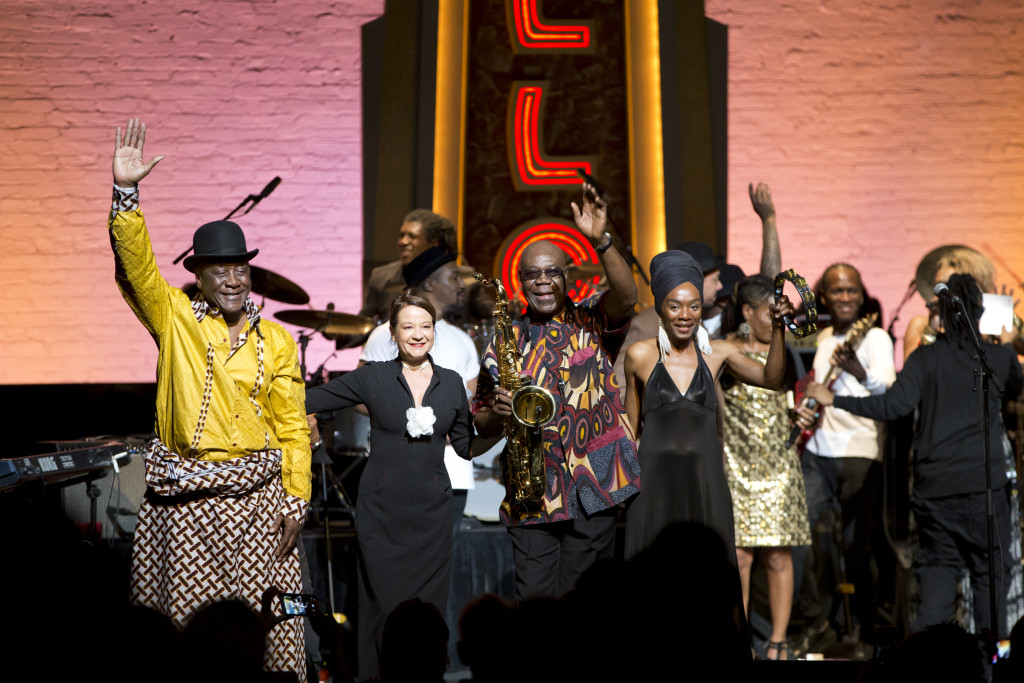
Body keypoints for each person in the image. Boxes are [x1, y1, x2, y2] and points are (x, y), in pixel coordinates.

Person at [108, 119, 311, 680]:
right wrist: (127, 195)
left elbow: (292, 424)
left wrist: (295, 498)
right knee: (186, 632)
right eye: (218, 269)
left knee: (265, 626)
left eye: (240, 267)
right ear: (197, 276)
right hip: (185, 502)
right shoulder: (174, 318)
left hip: (255, 502)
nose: (232, 279)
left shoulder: (277, 340)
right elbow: (137, 268)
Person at [805, 274, 1022, 636]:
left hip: (935, 492)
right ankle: (986, 666)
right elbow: (1016, 386)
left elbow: (893, 406)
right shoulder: (997, 358)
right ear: (979, 312)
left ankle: (926, 666)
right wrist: (1007, 344)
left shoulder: (925, 358)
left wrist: (835, 399)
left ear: (940, 314)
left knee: (936, 579)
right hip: (984, 489)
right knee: (988, 579)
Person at [472, 183, 640, 600]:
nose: (543, 281)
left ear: (567, 277)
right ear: (520, 280)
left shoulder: (593, 321)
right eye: (533, 274)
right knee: (537, 610)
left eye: (552, 272)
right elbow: (480, 423)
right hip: (531, 495)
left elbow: (629, 295)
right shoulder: (503, 344)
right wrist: (498, 409)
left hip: (596, 485)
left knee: (584, 609)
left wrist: (601, 241)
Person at [305, 293, 474, 680]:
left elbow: (466, 446)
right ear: (393, 334)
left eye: (426, 326)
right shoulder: (373, 377)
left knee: (429, 611)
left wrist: (500, 420)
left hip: (433, 515)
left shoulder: (451, 383)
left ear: (435, 331)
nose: (418, 334)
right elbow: (305, 398)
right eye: (408, 327)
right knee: (380, 606)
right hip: (381, 514)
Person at [621, 251, 795, 560]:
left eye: (694, 306)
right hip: (653, 485)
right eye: (674, 306)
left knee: (708, 574)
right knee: (653, 574)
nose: (685, 315)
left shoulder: (718, 353)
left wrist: (779, 329)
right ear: (660, 308)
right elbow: (630, 432)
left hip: (705, 481)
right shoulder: (640, 355)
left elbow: (771, 378)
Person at [793, 262, 896, 650]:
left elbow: (887, 392)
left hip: (859, 451)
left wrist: (858, 369)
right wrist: (804, 408)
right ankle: (817, 618)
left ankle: (866, 629)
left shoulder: (876, 339)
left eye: (852, 290)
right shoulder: (819, 339)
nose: (846, 297)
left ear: (862, 293)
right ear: (824, 297)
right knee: (800, 535)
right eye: (837, 291)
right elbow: (814, 391)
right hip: (818, 450)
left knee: (856, 545)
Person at [721, 274, 812, 659]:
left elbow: (785, 392)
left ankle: (777, 640)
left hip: (778, 462)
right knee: (740, 556)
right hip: (737, 463)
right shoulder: (728, 351)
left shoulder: (784, 350)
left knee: (778, 554)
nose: (774, 317)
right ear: (746, 311)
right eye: (767, 312)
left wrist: (799, 414)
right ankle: (739, 640)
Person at [359, 246, 479, 532]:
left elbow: (470, 402)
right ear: (430, 284)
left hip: (452, 474)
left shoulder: (463, 340)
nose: (463, 284)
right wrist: (409, 423)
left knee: (440, 563)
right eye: (454, 277)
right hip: (395, 471)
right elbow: (359, 394)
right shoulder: (387, 334)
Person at [360, 209, 457, 322]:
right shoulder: (381, 277)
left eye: (412, 236)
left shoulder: (461, 281)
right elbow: (362, 324)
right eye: (401, 236)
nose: (403, 242)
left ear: (433, 244)